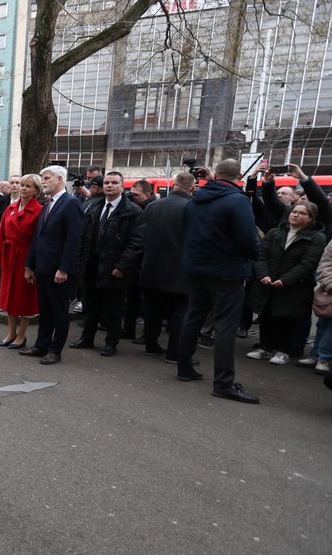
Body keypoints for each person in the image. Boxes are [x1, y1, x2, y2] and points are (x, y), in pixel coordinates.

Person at [175, 158, 261, 404]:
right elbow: (248, 239)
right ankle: (224, 383)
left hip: (196, 267)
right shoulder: (237, 200)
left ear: (216, 174)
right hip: (227, 271)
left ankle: (184, 368)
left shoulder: (195, 201)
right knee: (225, 326)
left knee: (193, 316)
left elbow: (186, 233)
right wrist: (253, 255)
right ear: (237, 177)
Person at [68, 171, 145, 357]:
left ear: (122, 186)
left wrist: (121, 267)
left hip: (114, 267)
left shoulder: (133, 211)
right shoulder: (94, 206)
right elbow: (84, 236)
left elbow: (136, 244)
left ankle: (111, 342)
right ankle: (87, 337)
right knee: (90, 305)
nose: (110, 185)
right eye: (107, 182)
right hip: (92, 265)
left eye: (114, 182)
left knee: (113, 308)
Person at [246, 201, 326, 365]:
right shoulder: (275, 232)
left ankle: (284, 351)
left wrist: (285, 280)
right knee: (266, 315)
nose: (295, 215)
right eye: (294, 211)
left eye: (302, 213)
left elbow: (308, 264)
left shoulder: (316, 237)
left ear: (310, 218)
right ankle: (265, 347)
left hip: (295, 286)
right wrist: (263, 274)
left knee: (288, 319)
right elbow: (261, 255)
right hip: (268, 283)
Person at [21, 165, 85, 365]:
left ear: (59, 179)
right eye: (42, 177)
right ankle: (42, 345)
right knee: (45, 310)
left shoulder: (71, 203)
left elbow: (74, 239)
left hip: (58, 270)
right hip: (42, 267)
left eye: (46, 177)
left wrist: (64, 268)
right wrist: (30, 265)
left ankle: (55, 350)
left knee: (59, 311)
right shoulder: (48, 203)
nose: (43, 181)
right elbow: (38, 238)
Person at [138, 172, 195, 363]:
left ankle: (151, 345)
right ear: (192, 187)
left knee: (153, 310)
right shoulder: (191, 208)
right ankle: (174, 353)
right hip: (179, 270)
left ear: (174, 184)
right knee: (180, 311)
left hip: (151, 267)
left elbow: (141, 235)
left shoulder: (153, 206)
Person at [0, 174, 43, 349]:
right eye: (22, 185)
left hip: (25, 258)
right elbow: (1, 234)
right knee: (8, 297)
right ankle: (10, 333)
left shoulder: (39, 211)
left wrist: (32, 265)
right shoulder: (11, 208)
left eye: (28, 186)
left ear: (36, 190)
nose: (23, 188)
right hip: (8, 256)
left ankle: (21, 336)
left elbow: (38, 240)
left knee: (23, 298)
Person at [307, 240, 332, 374]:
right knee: (323, 322)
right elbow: (325, 263)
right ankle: (316, 354)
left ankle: (324, 357)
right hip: (330, 289)